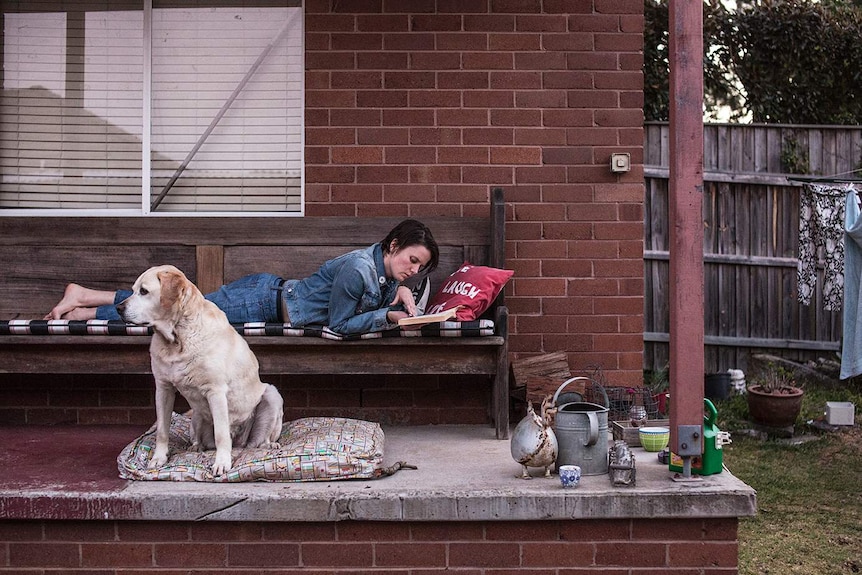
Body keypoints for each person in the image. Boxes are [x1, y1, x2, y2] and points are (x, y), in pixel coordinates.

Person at [45, 219, 439, 336]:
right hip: (261, 300)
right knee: (176, 315)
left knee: (178, 313)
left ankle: (86, 300)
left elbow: (375, 294)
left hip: (269, 297)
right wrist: (389, 317)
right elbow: (338, 325)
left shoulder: (382, 272)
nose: (414, 270)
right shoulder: (358, 268)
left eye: (420, 267)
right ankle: (88, 308)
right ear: (392, 246)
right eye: (412, 259)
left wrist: (401, 292)